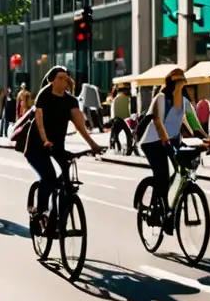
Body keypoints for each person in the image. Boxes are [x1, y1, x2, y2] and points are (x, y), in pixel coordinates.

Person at [24, 66, 103, 229]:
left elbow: (80, 126)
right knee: (49, 177)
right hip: (37, 145)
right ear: (52, 80)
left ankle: (60, 218)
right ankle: (41, 212)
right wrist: (45, 140)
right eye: (60, 78)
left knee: (67, 179)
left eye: (66, 77)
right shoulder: (44, 96)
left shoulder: (71, 101)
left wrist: (93, 145)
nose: (64, 80)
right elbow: (39, 123)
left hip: (57, 145)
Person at [139, 68, 210, 226]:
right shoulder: (160, 98)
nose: (181, 86)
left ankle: (171, 207)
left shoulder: (185, 103)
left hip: (171, 141)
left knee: (183, 171)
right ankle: (156, 211)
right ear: (171, 84)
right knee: (162, 175)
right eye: (178, 83)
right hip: (153, 142)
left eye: (183, 83)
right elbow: (158, 122)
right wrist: (166, 141)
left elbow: (195, 126)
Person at [109, 85, 134, 155]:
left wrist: (113, 119)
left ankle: (117, 147)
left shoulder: (116, 99)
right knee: (129, 135)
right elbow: (132, 110)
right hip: (127, 120)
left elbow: (113, 111)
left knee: (114, 135)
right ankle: (129, 150)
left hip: (118, 119)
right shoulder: (130, 99)